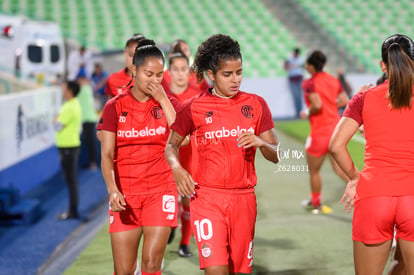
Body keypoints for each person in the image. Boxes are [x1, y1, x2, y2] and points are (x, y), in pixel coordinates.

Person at [165, 34, 279, 275]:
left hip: (244, 200)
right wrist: (177, 169)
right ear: (211, 74)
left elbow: (276, 154)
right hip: (207, 199)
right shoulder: (193, 107)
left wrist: (260, 142)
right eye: (227, 74)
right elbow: (171, 145)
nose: (235, 79)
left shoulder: (257, 105)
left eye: (239, 72)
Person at [329, 33, 414, 275]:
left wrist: (355, 177)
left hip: (373, 195)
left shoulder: (364, 97)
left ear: (382, 66)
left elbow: (335, 145)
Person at [99, 39, 178, 275]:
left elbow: (180, 138)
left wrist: (163, 100)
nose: (155, 81)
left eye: (159, 75)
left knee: (151, 265)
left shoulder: (168, 104)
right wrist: (113, 190)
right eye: (149, 74)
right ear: (134, 70)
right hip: (126, 196)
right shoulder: (114, 107)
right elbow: (106, 154)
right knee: (123, 270)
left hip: (161, 191)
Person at [299, 50, 349, 214]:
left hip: (320, 133)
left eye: (307, 64)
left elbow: (317, 104)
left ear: (312, 67)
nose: (306, 66)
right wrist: (331, 103)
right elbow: (344, 101)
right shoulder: (333, 80)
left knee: (314, 171)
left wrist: (306, 111)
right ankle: (366, 196)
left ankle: (315, 203)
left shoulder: (309, 83)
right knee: (341, 170)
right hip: (336, 131)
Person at [166, 51, 203, 257]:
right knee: (169, 204)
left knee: (188, 202)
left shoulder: (197, 95)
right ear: (169, 72)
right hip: (167, 159)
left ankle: (184, 243)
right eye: (175, 69)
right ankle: (171, 225)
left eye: (183, 69)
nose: (180, 74)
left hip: (191, 158)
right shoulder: (162, 96)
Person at [54, 81, 82, 220]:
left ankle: (73, 211)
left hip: (68, 147)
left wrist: (55, 119)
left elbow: (57, 126)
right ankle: (73, 210)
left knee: (71, 180)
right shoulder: (74, 104)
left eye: (64, 87)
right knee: (71, 180)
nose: (62, 90)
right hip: (70, 146)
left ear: (70, 91)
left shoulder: (69, 107)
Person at [104, 33, 145, 98]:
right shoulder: (113, 80)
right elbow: (110, 104)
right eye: (131, 55)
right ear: (125, 53)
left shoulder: (154, 83)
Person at [76, 70, 99, 170]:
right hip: (89, 119)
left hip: (88, 119)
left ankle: (93, 163)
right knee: (89, 142)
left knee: (90, 142)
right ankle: (91, 162)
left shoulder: (83, 90)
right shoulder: (88, 88)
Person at [284, 47, 305, 118]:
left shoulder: (301, 59)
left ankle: (300, 112)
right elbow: (285, 67)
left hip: (299, 78)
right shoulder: (289, 59)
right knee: (295, 96)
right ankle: (297, 112)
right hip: (292, 79)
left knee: (299, 96)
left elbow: (304, 66)